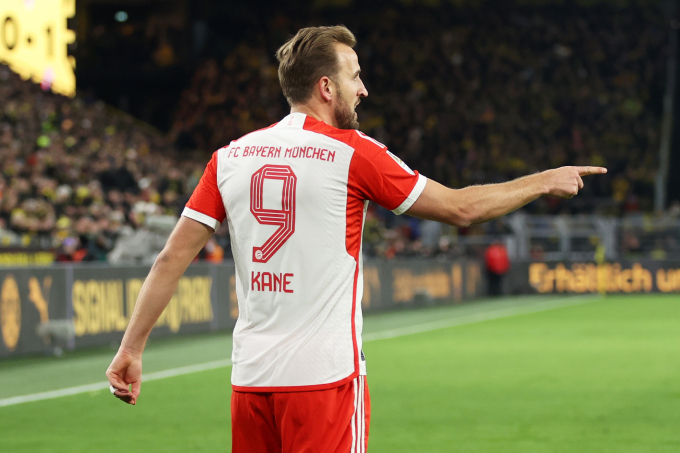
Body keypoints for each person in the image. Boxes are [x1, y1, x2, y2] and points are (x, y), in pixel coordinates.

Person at [106, 25, 606, 452]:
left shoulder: (231, 156)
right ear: (326, 87)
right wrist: (543, 180)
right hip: (325, 381)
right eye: (355, 77)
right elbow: (461, 209)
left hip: (251, 382)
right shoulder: (353, 153)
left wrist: (131, 347)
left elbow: (171, 257)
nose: (363, 89)